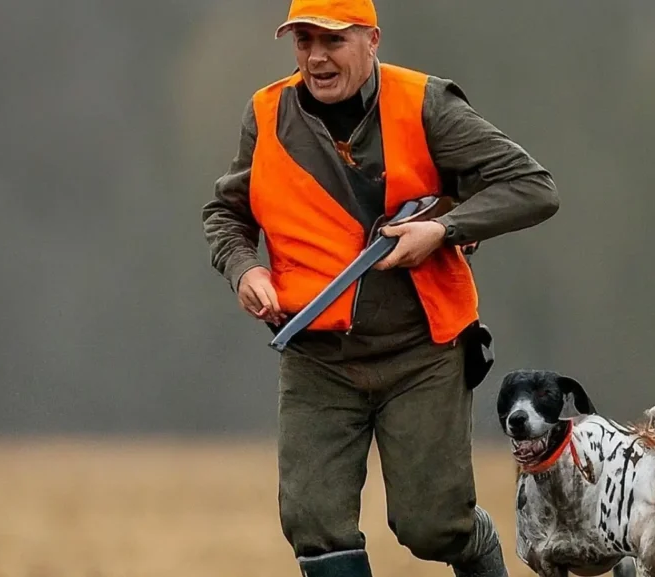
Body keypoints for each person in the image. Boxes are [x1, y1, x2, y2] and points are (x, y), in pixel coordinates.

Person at [201, 0, 559, 575]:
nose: (315, 57)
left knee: (432, 526)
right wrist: (245, 268)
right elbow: (226, 212)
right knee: (312, 525)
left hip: (421, 352)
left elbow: (533, 187)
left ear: (373, 40)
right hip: (316, 355)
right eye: (303, 41)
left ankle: (480, 550)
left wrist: (443, 229)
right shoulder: (266, 112)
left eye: (333, 41)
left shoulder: (426, 104)